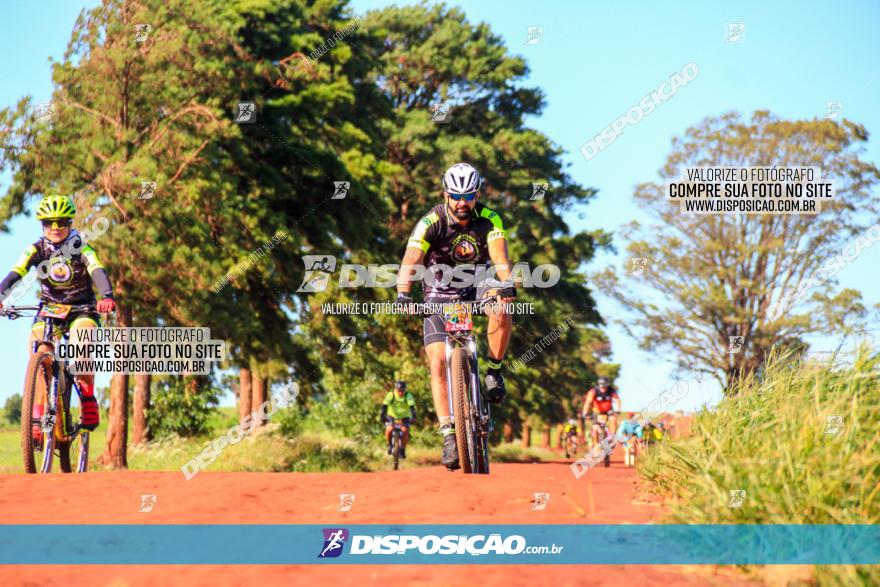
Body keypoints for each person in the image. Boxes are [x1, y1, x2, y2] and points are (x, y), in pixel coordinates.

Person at [396, 162, 516, 471]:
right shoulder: (430, 221)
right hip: (438, 290)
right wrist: (403, 294)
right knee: (437, 359)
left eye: (469, 196)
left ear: (478, 194)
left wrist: (508, 284)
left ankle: (494, 371)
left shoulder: (490, 219)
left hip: (477, 285)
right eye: (456, 196)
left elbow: (500, 258)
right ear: (445, 194)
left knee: (501, 303)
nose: (462, 203)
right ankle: (449, 432)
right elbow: (411, 259)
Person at [0, 195, 115, 441]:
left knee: (81, 342)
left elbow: (97, 270)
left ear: (70, 223)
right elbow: (15, 273)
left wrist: (107, 296)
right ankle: (39, 415)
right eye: (49, 223)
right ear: (42, 225)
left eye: (61, 222)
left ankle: (86, 395)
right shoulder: (35, 249)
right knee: (38, 349)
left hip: (82, 309)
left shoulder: (82, 247)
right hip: (49, 309)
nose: (55, 228)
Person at [581, 376, 621, 448]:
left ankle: (612, 438)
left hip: (609, 410)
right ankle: (596, 445)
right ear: (599, 385)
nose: (603, 389)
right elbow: (588, 402)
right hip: (597, 411)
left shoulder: (611, 390)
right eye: (602, 387)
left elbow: (618, 400)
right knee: (595, 427)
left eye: (605, 387)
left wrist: (618, 410)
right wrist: (585, 413)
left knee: (613, 419)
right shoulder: (593, 391)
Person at [379, 380, 416, 459]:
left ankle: (402, 449)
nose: (400, 393)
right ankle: (389, 445)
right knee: (389, 429)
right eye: (399, 391)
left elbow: (412, 407)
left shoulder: (407, 396)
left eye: (402, 391)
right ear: (395, 389)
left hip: (404, 417)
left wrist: (413, 417)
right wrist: (382, 415)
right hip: (392, 416)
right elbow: (384, 406)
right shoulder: (391, 395)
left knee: (405, 430)